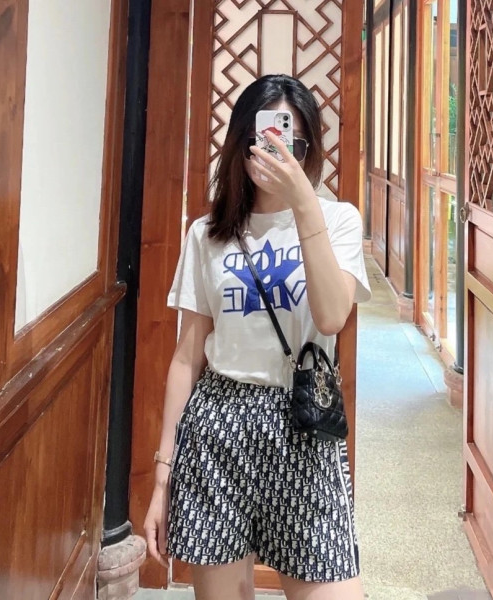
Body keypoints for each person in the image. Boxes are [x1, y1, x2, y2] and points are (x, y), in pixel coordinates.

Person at [144, 74, 371, 600]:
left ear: (309, 150)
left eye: (293, 144)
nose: (278, 154)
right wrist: (162, 474)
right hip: (218, 426)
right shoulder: (207, 234)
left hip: (303, 427)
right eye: (264, 140)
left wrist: (304, 205)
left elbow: (332, 316)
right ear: (241, 147)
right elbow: (186, 358)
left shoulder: (338, 221)